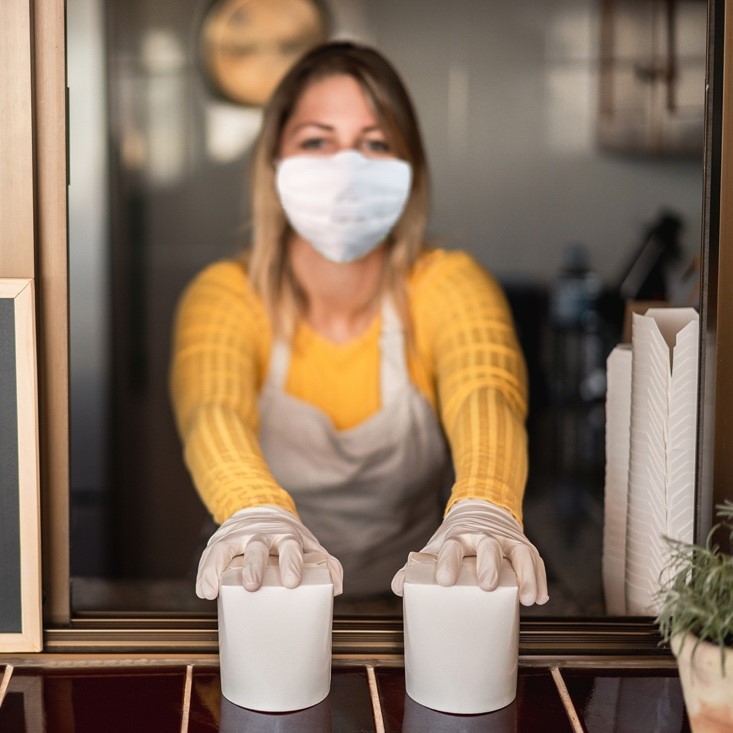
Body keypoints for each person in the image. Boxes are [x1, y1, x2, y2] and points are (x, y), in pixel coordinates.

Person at [169, 41, 548, 607]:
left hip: (418, 607)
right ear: (274, 162)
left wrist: (485, 504)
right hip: (260, 601)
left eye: (374, 144)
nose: (346, 168)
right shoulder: (226, 295)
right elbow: (212, 411)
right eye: (317, 141)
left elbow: (486, 390)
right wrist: (254, 512)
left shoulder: (447, 284)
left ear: (409, 170)